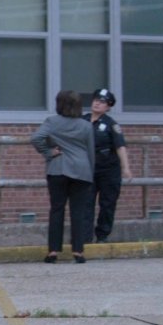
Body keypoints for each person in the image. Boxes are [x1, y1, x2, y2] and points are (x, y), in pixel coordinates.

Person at [31, 90, 95, 264]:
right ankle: (78, 251)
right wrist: (91, 172)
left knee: (57, 209)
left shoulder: (52, 122)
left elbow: (36, 138)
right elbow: (90, 151)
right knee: (78, 212)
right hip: (82, 170)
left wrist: (48, 152)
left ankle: (53, 251)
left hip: (58, 168)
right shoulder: (86, 126)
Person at [84, 88, 133, 244]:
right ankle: (84, 237)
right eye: (96, 100)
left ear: (108, 107)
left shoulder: (111, 124)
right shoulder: (81, 120)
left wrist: (126, 168)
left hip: (108, 170)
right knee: (85, 203)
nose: (97, 103)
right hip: (87, 169)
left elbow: (120, 146)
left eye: (102, 102)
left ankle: (102, 235)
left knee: (107, 203)